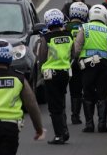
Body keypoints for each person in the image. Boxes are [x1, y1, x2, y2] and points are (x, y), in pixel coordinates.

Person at [74, 4, 107, 133]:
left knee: (87, 93)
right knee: (102, 94)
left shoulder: (84, 27)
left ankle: (89, 125)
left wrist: (77, 59)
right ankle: (102, 124)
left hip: (87, 65)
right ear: (104, 16)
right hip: (104, 65)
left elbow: (77, 48)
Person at [39, 8, 74, 144]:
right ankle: (64, 130)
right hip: (65, 73)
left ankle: (60, 135)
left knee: (54, 106)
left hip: (51, 74)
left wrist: (42, 68)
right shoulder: (69, 35)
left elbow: (42, 57)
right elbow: (74, 53)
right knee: (61, 101)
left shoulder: (46, 37)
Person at [65, 2, 89, 124]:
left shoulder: (65, 27)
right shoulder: (87, 27)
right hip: (82, 60)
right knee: (82, 89)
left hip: (66, 61)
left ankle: (66, 115)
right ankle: (76, 116)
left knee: (71, 90)